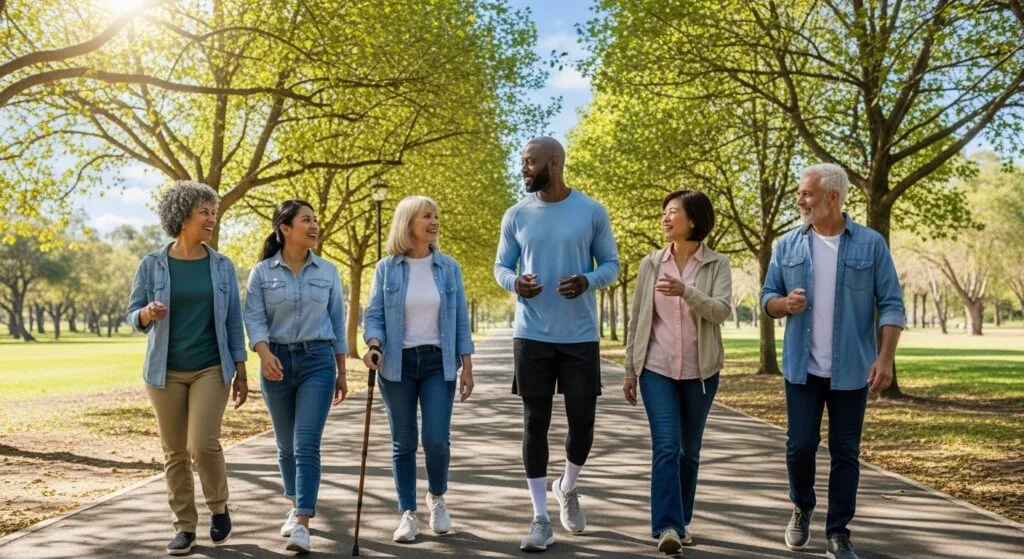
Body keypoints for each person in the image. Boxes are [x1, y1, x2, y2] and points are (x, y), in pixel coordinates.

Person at [761, 163, 905, 559]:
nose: (800, 200)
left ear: (833, 197)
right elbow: (767, 299)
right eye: (800, 192)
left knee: (846, 452)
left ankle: (839, 531)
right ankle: (802, 507)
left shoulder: (870, 244)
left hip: (852, 371)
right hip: (801, 369)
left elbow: (892, 304)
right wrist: (783, 304)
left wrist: (885, 359)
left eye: (807, 193)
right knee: (800, 446)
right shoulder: (787, 244)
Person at [494, 137, 620, 552]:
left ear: (554, 162)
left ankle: (567, 486)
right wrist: (516, 284)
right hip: (531, 334)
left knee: (582, 423)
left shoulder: (591, 211)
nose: (524, 170)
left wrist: (588, 280)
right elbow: (501, 266)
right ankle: (539, 518)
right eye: (523, 163)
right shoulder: (516, 214)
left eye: (530, 163)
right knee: (535, 423)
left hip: (580, 335)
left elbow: (612, 265)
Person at [126, 180, 248, 556]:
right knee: (174, 451)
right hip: (164, 372)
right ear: (182, 217)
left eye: (214, 212)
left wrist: (241, 369)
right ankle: (184, 527)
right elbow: (133, 314)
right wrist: (146, 314)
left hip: (211, 367)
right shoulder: (152, 264)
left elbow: (232, 320)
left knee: (202, 443)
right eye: (204, 212)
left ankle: (219, 507)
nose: (212, 219)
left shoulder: (222, 266)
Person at [622, 190, 732, 555]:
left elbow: (720, 312)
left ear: (694, 220)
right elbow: (638, 318)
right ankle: (667, 525)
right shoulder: (651, 263)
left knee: (690, 451)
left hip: (701, 371)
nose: (666, 218)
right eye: (664, 212)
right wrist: (630, 370)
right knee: (667, 445)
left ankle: (680, 521)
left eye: (673, 212)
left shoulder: (717, 265)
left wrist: (687, 291)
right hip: (657, 368)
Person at [362, 195, 475, 543]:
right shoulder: (386, 268)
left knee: (436, 440)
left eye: (436, 216)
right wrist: (374, 344)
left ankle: (437, 499)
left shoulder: (448, 267)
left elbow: (459, 321)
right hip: (398, 364)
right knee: (404, 442)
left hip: (438, 363)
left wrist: (467, 366)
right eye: (427, 216)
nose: (434, 221)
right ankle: (407, 512)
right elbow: (374, 313)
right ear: (408, 222)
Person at [244, 200, 349, 554]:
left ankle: (302, 520)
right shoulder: (261, 273)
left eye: (315, 219)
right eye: (307, 220)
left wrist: (342, 371)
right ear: (285, 229)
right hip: (275, 361)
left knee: (306, 444)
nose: (315, 225)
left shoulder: (328, 272)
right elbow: (254, 319)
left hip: (318, 361)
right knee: (285, 445)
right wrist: (263, 352)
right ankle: (293, 503)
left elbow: (337, 323)